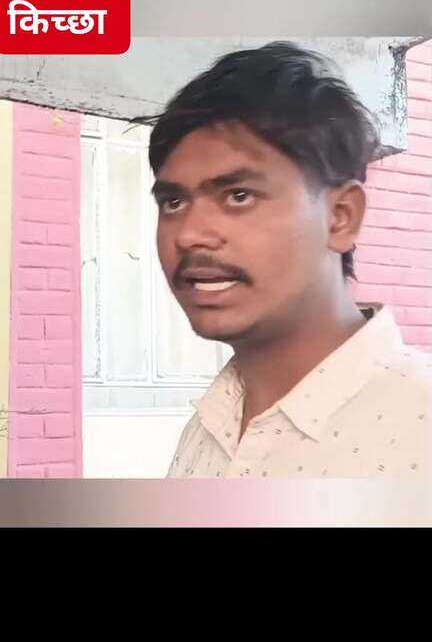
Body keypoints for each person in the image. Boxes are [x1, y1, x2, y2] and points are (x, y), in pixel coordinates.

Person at [139, 41, 429, 478]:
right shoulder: (208, 425)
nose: (190, 234)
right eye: (174, 202)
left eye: (239, 195)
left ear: (341, 217)